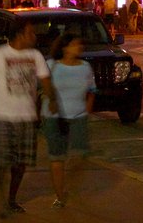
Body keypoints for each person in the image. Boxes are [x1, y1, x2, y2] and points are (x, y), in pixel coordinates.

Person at [0, 22, 57, 218]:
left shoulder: (35, 56)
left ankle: (11, 198)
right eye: (31, 32)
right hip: (3, 117)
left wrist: (52, 100)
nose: (34, 36)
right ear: (20, 35)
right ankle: (2, 199)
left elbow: (45, 81)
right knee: (2, 162)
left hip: (27, 119)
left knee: (21, 163)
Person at [42, 32, 95, 208]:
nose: (78, 48)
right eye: (74, 44)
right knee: (57, 158)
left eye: (79, 44)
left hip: (78, 116)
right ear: (64, 47)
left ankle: (67, 183)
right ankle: (59, 195)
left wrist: (87, 109)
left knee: (81, 155)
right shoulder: (51, 65)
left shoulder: (85, 67)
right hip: (54, 118)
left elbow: (92, 90)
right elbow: (40, 88)